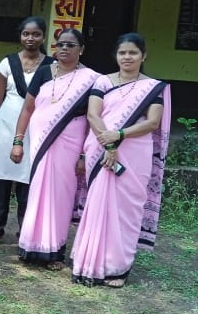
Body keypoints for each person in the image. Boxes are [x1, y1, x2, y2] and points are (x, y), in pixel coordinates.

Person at [71, 33, 171, 288]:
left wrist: (120, 135)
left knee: (127, 209)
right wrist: (109, 143)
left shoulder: (152, 87)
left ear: (143, 56)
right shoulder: (103, 82)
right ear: (116, 56)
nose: (127, 57)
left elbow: (152, 122)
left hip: (135, 152)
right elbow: (94, 115)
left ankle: (118, 267)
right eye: (122, 53)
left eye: (133, 53)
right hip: (100, 146)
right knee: (98, 204)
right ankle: (87, 263)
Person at [11, 28, 100, 268]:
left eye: (70, 45)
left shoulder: (92, 79)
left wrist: (84, 154)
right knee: (37, 191)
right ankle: (30, 247)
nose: (64, 49)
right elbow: (28, 109)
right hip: (40, 141)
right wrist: (18, 141)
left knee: (61, 195)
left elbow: (94, 119)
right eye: (60, 44)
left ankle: (54, 252)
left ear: (81, 49)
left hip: (72, 142)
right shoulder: (43, 73)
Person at [0, 17, 54, 248]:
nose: (30, 38)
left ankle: (26, 229)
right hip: (6, 124)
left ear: (43, 36)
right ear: (20, 36)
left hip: (36, 126)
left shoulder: (52, 66)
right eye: (26, 34)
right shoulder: (7, 63)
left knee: (29, 178)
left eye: (35, 34)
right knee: (0, 175)